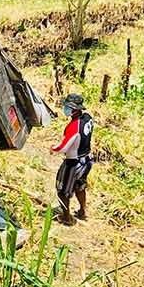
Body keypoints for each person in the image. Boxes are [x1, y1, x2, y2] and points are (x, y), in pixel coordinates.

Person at [51, 93, 93, 226]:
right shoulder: (87, 118)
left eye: (67, 107)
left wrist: (53, 148)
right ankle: (82, 211)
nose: (65, 109)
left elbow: (64, 147)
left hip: (73, 163)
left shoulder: (74, 126)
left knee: (62, 190)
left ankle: (66, 217)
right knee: (80, 186)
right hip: (87, 160)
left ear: (74, 109)